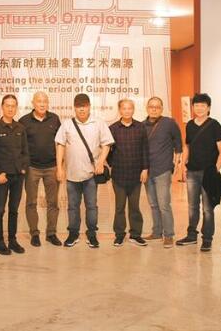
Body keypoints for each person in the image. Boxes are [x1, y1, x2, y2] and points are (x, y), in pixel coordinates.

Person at [55, 94, 114, 248]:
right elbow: (60, 145)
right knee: (73, 207)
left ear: (89, 107)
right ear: (74, 108)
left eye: (84, 106)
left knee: (91, 206)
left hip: (91, 175)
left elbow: (107, 144)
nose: (81, 109)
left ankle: (92, 234)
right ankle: (73, 233)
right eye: (78, 106)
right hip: (71, 174)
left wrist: (101, 162)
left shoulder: (98, 123)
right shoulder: (67, 124)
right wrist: (59, 167)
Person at [177, 93, 221, 252]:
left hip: (208, 173)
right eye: (196, 105)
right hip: (192, 172)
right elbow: (187, 147)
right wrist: (183, 165)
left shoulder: (214, 125)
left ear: (208, 108)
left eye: (202, 105)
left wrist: (215, 170)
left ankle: (207, 239)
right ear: (193, 107)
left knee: (207, 208)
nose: (199, 108)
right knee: (192, 206)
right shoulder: (190, 125)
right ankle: (191, 235)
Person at [0, 94, 30, 255]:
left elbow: (25, 151)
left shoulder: (20, 128)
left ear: (16, 108)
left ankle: (12, 240)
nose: (10, 108)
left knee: (14, 209)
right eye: (7, 105)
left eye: (13, 106)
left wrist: (23, 168)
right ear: (2, 107)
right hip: (2, 177)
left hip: (18, 176)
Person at [19, 92, 62, 247]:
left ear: (48, 103)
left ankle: (51, 233)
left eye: (45, 101)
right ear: (33, 103)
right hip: (32, 168)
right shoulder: (24, 121)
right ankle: (34, 233)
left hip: (52, 167)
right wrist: (22, 166)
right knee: (31, 202)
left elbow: (60, 143)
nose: (42, 104)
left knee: (53, 203)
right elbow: (20, 145)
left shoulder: (55, 119)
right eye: (39, 101)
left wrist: (60, 166)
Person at [108, 99, 149, 247]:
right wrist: (112, 164)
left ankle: (136, 235)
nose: (127, 111)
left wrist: (145, 169)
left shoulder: (140, 127)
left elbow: (145, 149)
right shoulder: (113, 128)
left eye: (129, 108)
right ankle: (119, 235)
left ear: (133, 109)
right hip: (118, 175)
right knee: (119, 207)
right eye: (124, 108)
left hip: (136, 175)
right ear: (120, 110)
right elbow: (108, 151)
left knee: (134, 206)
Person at [142, 96, 183, 248]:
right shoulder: (141, 125)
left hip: (163, 169)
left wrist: (177, 162)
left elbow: (178, 143)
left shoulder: (169, 123)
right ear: (147, 108)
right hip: (147, 170)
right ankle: (157, 232)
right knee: (153, 204)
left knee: (164, 204)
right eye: (151, 106)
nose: (154, 109)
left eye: (157, 107)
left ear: (162, 108)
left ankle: (169, 235)